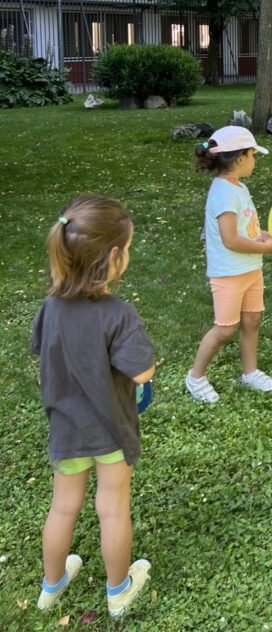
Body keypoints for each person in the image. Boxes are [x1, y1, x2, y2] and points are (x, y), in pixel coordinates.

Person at [31, 196, 155, 618]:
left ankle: (51, 587)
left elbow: (42, 348)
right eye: (128, 248)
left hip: (66, 429)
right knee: (112, 507)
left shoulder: (50, 308)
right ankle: (118, 591)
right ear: (113, 257)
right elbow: (142, 372)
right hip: (111, 428)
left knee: (63, 506)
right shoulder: (118, 315)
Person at [186, 126, 272, 404]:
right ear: (240, 158)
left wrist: (262, 235)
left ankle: (250, 372)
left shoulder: (239, 187)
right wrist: (265, 247)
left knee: (252, 319)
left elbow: (244, 226)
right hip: (228, 273)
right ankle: (195, 376)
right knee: (225, 329)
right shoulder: (223, 193)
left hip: (250, 268)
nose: (254, 161)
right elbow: (230, 239)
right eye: (253, 155)